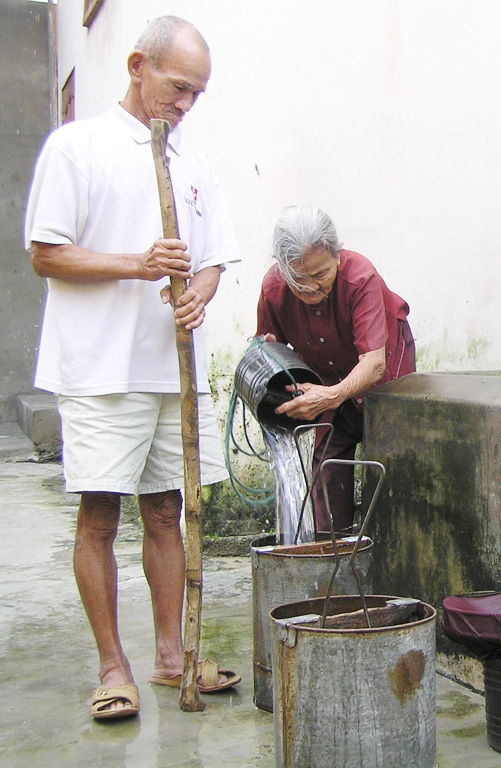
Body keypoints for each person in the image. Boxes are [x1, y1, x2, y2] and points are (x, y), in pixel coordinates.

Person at [24, 16, 241, 721]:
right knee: (98, 517)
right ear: (137, 64)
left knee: (167, 512)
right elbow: (47, 253)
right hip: (100, 372)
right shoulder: (77, 148)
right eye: (177, 89)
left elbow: (211, 259)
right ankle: (112, 667)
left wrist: (200, 292)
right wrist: (137, 264)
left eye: (196, 97)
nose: (182, 107)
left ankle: (172, 657)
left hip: (171, 373)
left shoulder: (192, 163)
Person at [255, 206, 415, 535]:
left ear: (337, 255)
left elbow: (373, 362)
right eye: (299, 278)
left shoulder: (359, 276)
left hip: (383, 372)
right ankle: (334, 555)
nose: (312, 287)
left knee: (390, 462)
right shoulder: (274, 289)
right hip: (324, 380)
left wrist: (330, 396)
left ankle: (386, 552)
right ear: (282, 268)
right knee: (327, 465)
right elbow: (267, 351)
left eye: (321, 274)